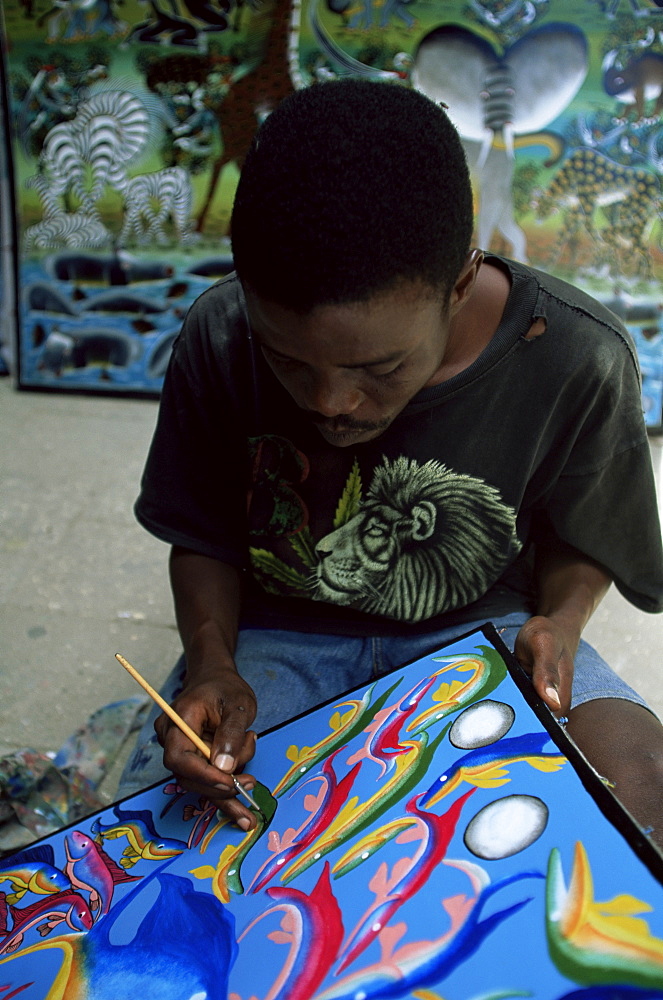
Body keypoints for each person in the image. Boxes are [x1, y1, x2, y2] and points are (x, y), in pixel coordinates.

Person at [120, 78, 663, 847]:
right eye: (286, 360)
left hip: (485, 634)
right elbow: (201, 533)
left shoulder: (575, 354)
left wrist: (562, 621)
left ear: (460, 283)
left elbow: (586, 534)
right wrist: (211, 660)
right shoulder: (218, 331)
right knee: (160, 854)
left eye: (378, 367)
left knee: (638, 802)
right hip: (280, 641)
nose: (332, 401)